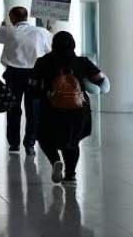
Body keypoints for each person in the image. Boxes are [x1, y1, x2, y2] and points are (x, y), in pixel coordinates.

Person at [33, 31, 108, 185]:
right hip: (78, 109)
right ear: (73, 44)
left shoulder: (43, 62)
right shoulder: (82, 62)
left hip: (51, 108)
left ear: (53, 44)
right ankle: (70, 175)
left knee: (44, 137)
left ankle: (55, 160)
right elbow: (100, 80)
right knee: (72, 142)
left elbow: (33, 85)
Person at [0, 6, 53, 156]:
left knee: (13, 108)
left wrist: (4, 25)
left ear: (12, 18)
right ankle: (30, 144)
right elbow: (49, 49)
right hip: (34, 75)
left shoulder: (8, 31)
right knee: (33, 111)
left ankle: (14, 143)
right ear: (27, 17)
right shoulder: (41, 32)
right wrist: (48, 31)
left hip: (13, 75)